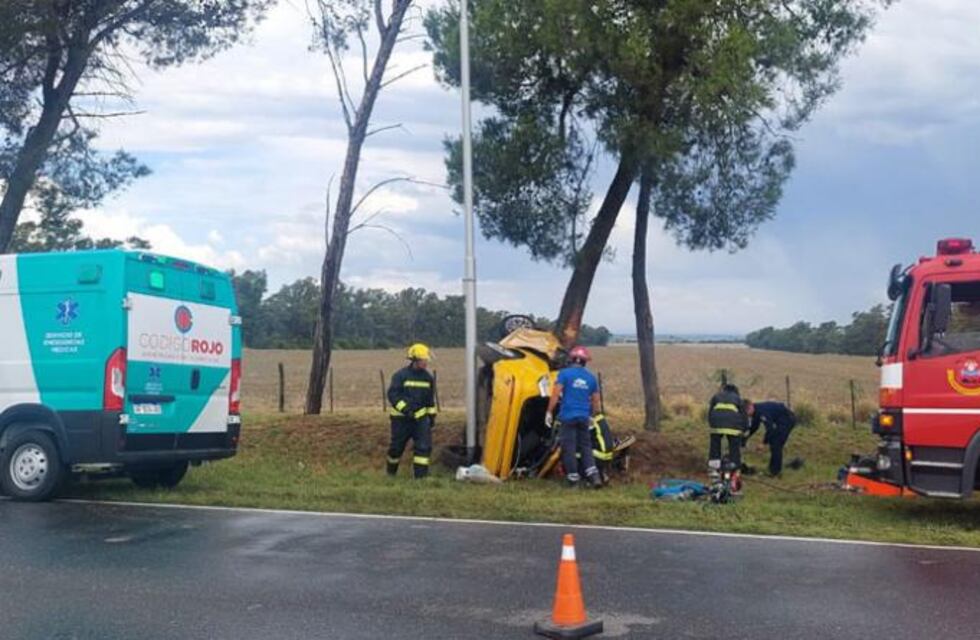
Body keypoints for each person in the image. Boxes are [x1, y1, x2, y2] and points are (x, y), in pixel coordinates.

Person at [545, 345, 603, 489]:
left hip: (567, 417)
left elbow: (555, 394)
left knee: (569, 448)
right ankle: (594, 476)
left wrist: (549, 412)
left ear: (572, 359)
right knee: (585, 446)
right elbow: (596, 401)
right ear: (585, 362)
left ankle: (573, 480)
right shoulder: (591, 378)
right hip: (584, 417)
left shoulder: (564, 374)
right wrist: (593, 415)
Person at [386, 343, 438, 479]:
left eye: (426, 360)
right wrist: (406, 409)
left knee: (423, 447)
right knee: (396, 448)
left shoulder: (428, 378)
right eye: (423, 360)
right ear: (414, 360)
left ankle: (421, 478)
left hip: (421, 420)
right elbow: (393, 395)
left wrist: (431, 416)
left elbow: (430, 400)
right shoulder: (400, 376)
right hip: (401, 420)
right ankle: (391, 474)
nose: (426, 362)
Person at [744, 401, 797, 477]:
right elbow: (754, 426)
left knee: (776, 444)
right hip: (780, 421)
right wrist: (745, 438)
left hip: (787, 419)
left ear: (751, 407)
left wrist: (763, 443)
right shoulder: (756, 412)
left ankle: (775, 472)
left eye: (747, 412)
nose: (748, 415)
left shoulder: (762, 411)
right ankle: (772, 468)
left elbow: (770, 429)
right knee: (774, 443)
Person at [707, 384, 749, 476]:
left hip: (716, 424)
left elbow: (710, 412)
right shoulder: (738, 399)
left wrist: (712, 424)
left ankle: (714, 469)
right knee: (734, 447)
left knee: (715, 446)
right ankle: (734, 469)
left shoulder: (716, 396)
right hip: (733, 426)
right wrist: (744, 429)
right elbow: (744, 415)